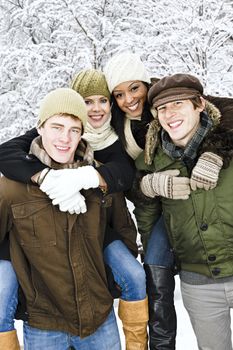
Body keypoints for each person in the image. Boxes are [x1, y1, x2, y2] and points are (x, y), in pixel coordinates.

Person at [0, 70, 148, 350]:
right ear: (40, 128)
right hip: (44, 323)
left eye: (74, 130)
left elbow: (123, 228)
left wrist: (114, 278)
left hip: (98, 318)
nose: (65, 139)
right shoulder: (12, 187)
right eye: (57, 127)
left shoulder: (98, 177)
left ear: (83, 133)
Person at [133, 73, 233, 350]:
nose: (170, 113)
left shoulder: (228, 143)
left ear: (199, 104)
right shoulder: (151, 160)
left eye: (178, 103)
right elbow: (147, 218)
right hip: (198, 283)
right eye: (162, 108)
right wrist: (146, 186)